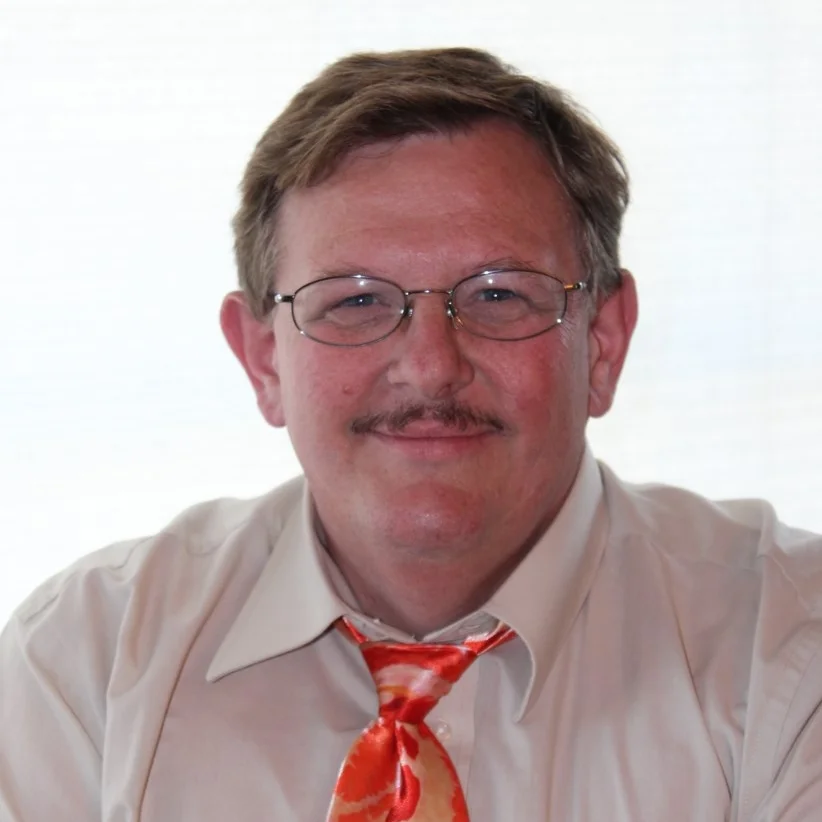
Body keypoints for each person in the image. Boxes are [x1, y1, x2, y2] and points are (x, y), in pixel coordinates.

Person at [1, 46, 821, 822]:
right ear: (263, 360)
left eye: (500, 294)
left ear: (602, 343)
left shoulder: (789, 642)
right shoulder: (83, 665)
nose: (430, 368)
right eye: (355, 301)